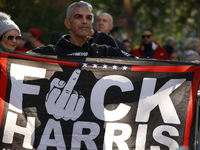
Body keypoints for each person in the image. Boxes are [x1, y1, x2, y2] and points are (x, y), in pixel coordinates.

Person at [28, 1, 132, 58]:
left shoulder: (105, 51)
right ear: (67, 23)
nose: (85, 21)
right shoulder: (49, 52)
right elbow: (17, 59)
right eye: (78, 17)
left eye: (88, 18)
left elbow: (141, 63)